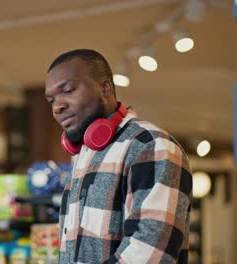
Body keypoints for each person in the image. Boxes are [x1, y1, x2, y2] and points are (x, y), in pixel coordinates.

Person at [45, 49, 193, 263]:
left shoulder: (151, 146)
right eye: (51, 100)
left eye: (67, 90)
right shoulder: (86, 154)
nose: (58, 106)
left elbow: (150, 253)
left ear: (105, 88)